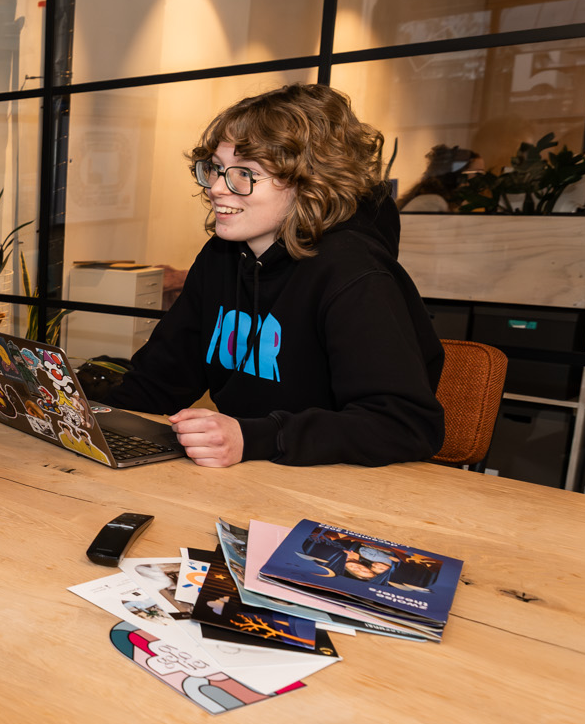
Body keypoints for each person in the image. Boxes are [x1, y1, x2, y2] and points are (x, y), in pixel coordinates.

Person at [103, 84, 445, 467]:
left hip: (333, 491)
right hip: (246, 477)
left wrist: (255, 437)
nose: (216, 188)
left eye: (245, 173)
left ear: (311, 182)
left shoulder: (354, 274)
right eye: (216, 169)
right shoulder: (222, 255)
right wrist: (87, 421)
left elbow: (406, 425)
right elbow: (160, 380)